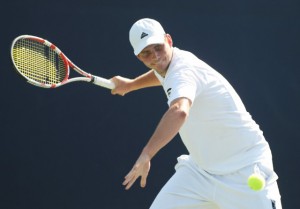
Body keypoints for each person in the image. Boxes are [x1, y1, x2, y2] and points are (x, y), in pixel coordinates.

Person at [111, 18, 282, 209]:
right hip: (200, 173)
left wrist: (146, 154)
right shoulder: (168, 64)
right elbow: (162, 75)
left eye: (158, 47)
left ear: (169, 40)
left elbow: (179, 111)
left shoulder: (183, 71)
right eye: (146, 53)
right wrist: (131, 85)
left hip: (245, 170)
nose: (155, 56)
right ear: (139, 57)